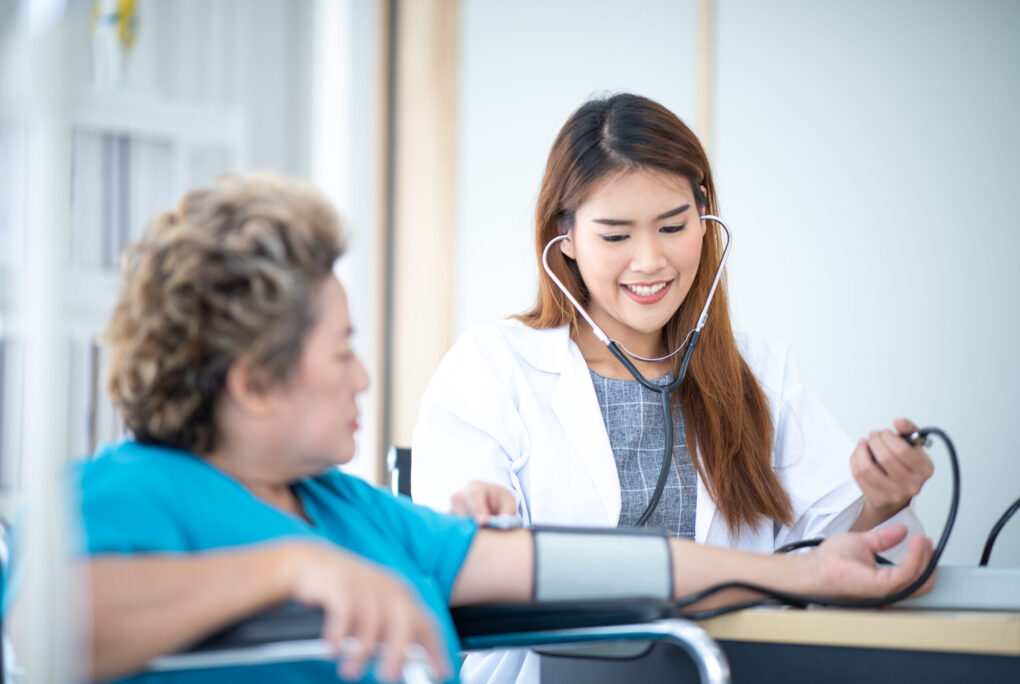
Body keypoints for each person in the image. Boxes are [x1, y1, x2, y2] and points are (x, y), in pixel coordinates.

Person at [77, 173, 932, 684]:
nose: (364, 377)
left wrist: (800, 571)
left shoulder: (351, 512)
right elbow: (49, 629)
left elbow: (597, 568)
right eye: (341, 352)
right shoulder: (137, 488)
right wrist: (287, 567)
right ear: (254, 384)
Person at [410, 94, 936, 683]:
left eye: (672, 227)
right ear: (567, 237)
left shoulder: (762, 373)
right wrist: (484, 523)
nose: (650, 261)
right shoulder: (493, 368)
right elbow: (467, 572)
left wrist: (881, 500)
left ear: (704, 217)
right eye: (615, 236)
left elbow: (834, 568)